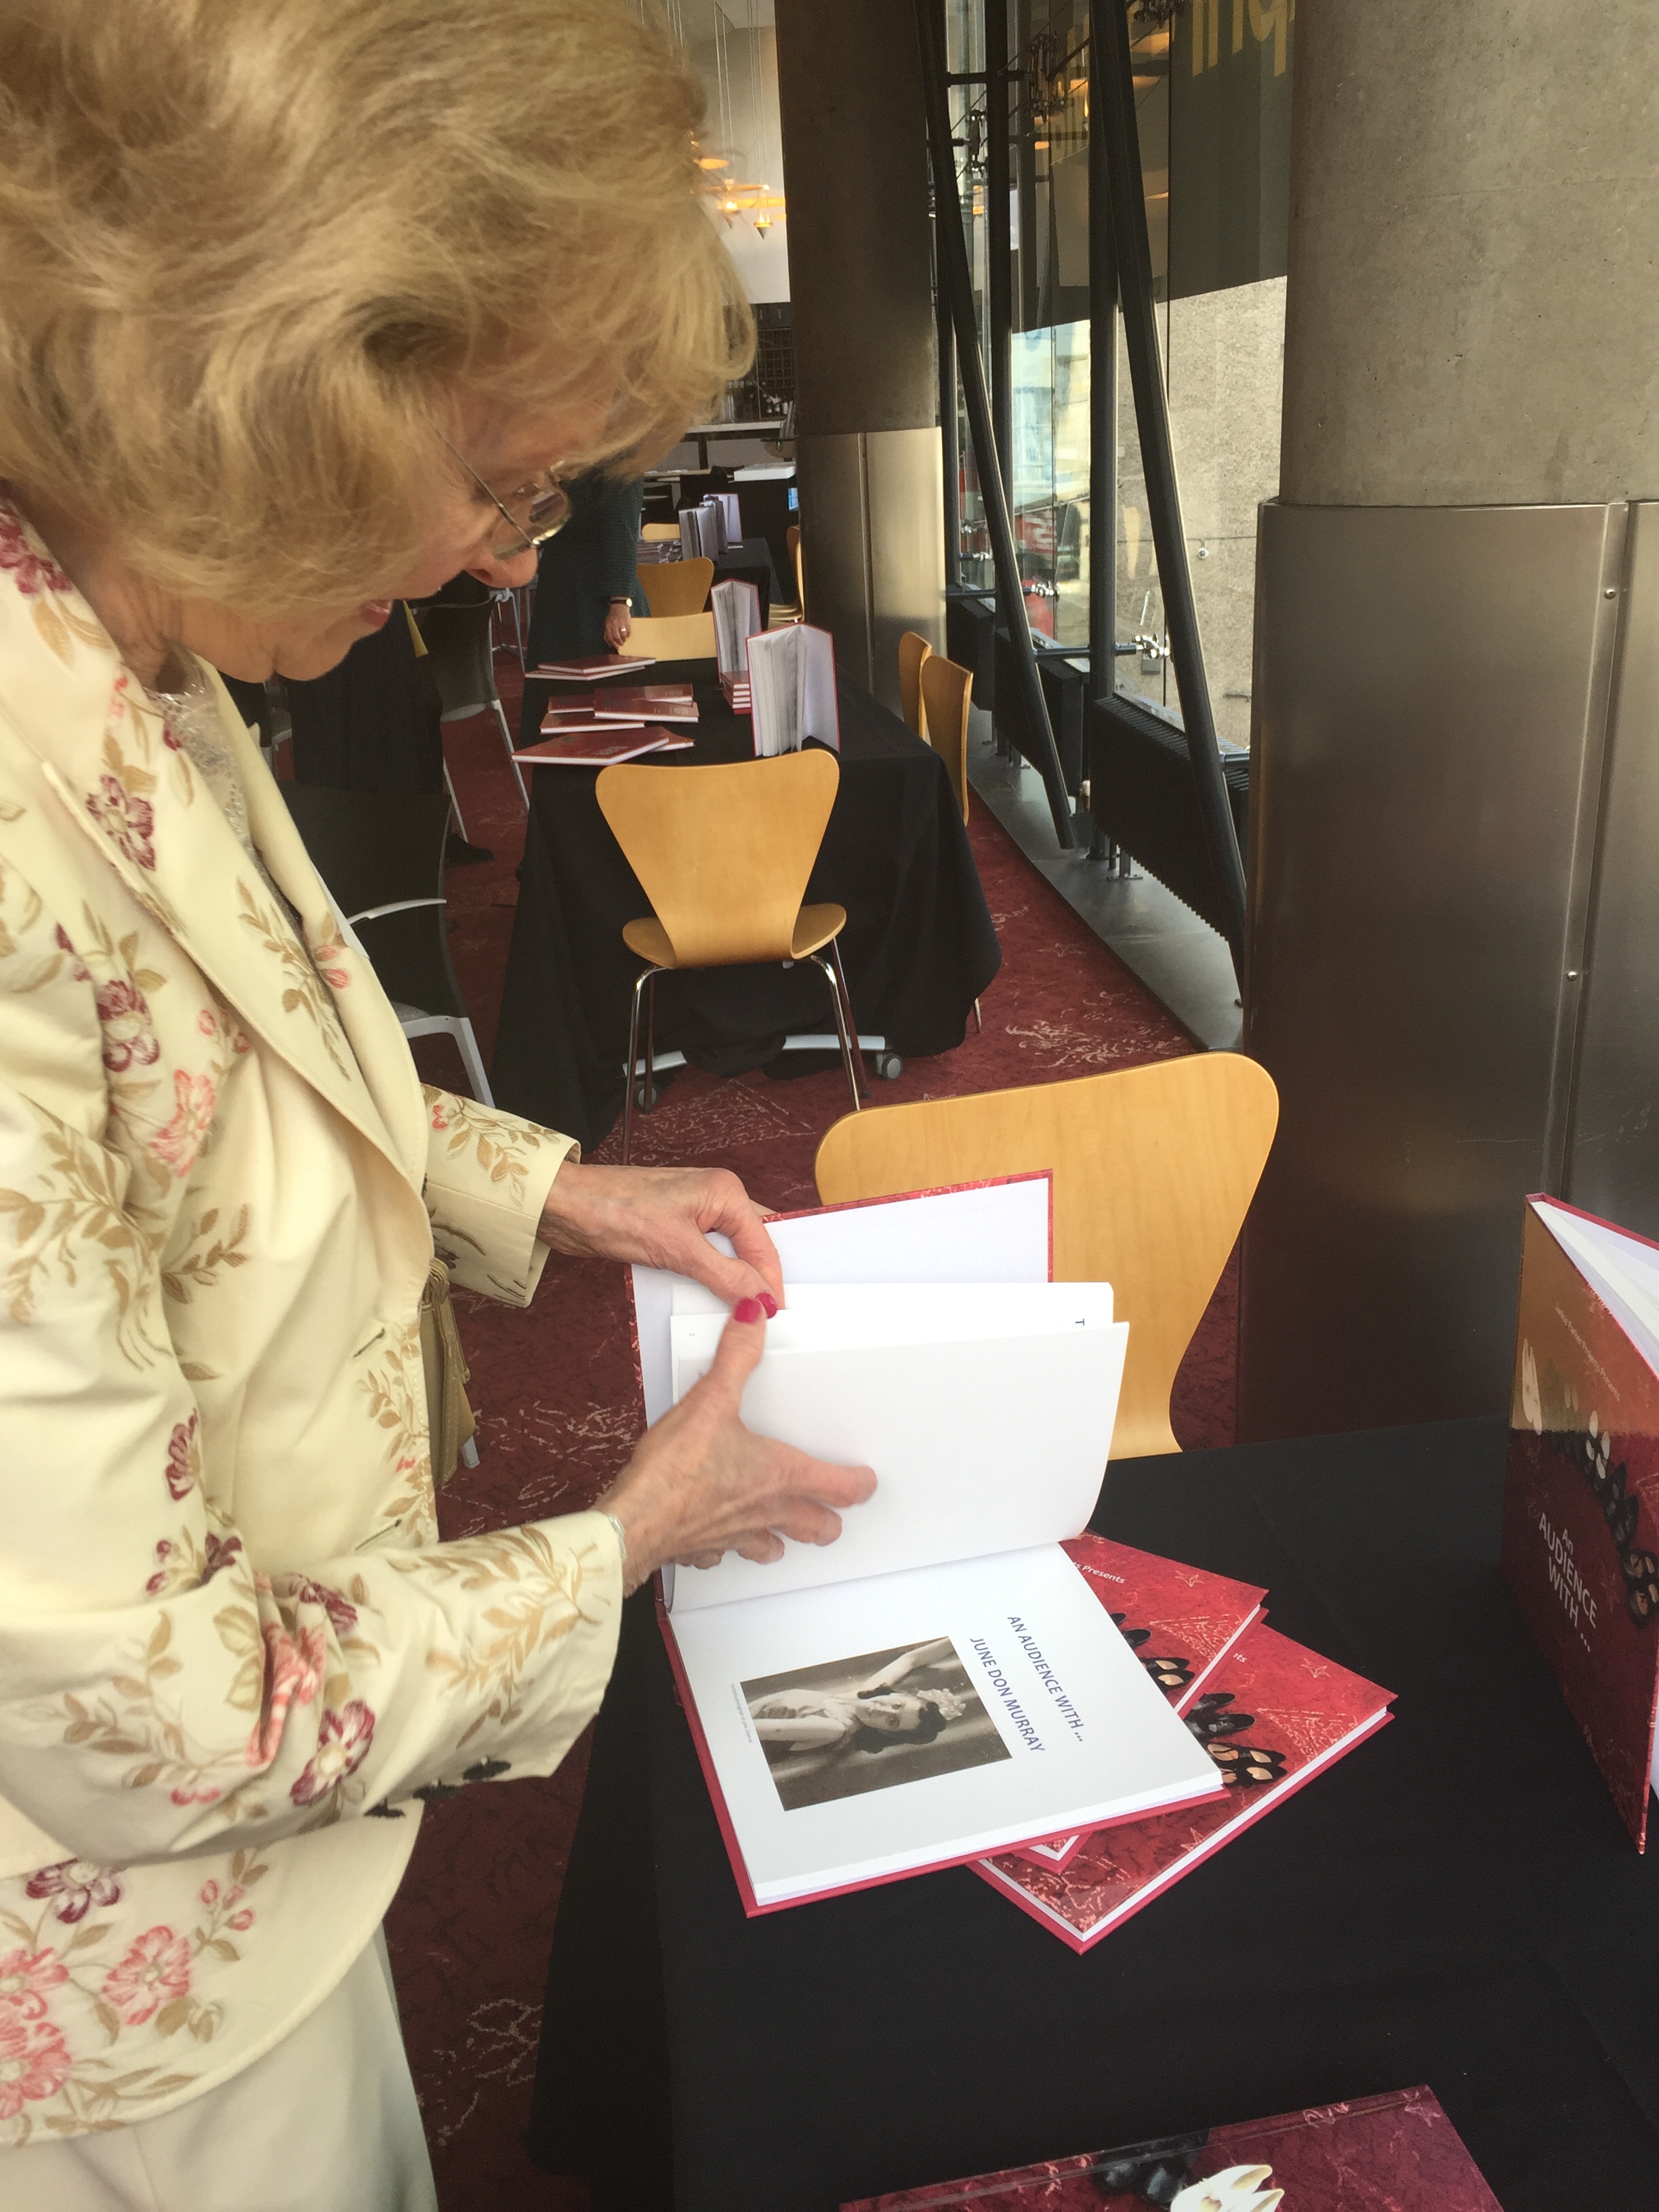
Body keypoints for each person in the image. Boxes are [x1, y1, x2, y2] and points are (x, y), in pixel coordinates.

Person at [0, 3, 874, 2205]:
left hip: (260, 1871)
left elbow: (210, 1079)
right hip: (97, 1993)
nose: (506, 557)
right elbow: (145, 1719)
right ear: (271, 369)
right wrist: (620, 1540)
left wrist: (551, 1192)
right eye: (499, 480)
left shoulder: (131, 634)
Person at [518, 467, 644, 743]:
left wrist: (619, 602)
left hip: (600, 597)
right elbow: (543, 525)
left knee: (604, 702)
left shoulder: (619, 457)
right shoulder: (558, 459)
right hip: (558, 591)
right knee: (555, 692)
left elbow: (622, 533)